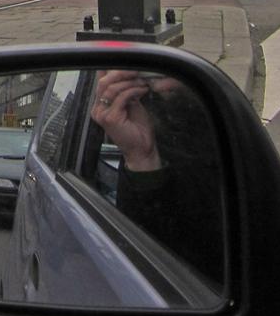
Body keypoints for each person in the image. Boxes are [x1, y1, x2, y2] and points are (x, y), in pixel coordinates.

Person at [90, 70, 225, 285]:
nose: (162, 85)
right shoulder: (141, 130)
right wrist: (141, 158)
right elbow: (157, 256)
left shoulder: (220, 127)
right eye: (148, 77)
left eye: (163, 73)